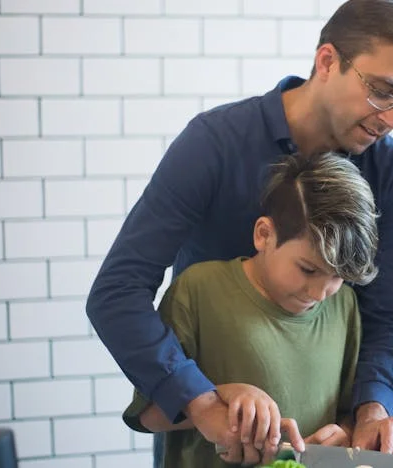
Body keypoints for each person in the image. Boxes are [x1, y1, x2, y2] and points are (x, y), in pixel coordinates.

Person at [85, 0, 393, 464]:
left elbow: (385, 316)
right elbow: (117, 292)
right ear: (327, 62)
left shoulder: (392, 173)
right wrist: (201, 401)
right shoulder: (215, 143)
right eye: (382, 91)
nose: (392, 119)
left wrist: (371, 412)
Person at [122, 153, 378, 467]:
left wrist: (344, 433)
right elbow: (147, 416)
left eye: (337, 276)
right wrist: (214, 398)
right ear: (264, 235)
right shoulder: (198, 289)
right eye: (308, 269)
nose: (319, 293)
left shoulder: (344, 304)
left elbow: (348, 411)